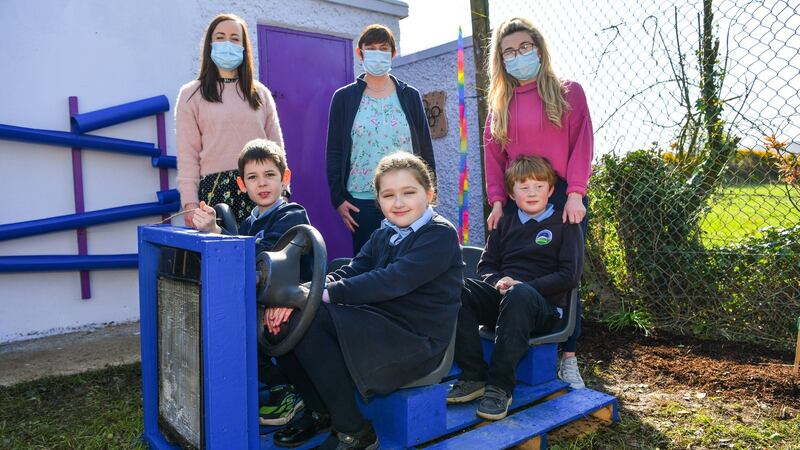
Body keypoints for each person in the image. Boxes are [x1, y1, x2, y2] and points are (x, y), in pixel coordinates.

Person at [266, 153, 462, 449]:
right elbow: (352, 270)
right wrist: (300, 293)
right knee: (283, 323)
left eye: (409, 193)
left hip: (417, 339)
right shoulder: (385, 233)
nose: (398, 203)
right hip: (381, 324)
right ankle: (321, 410)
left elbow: (393, 280)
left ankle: (354, 431)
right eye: (388, 195)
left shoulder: (438, 235)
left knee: (312, 318)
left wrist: (315, 296)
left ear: (430, 194)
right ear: (379, 201)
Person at [483, 17, 594, 389]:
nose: (518, 56)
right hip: (518, 196)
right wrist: (498, 202)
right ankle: (515, 342)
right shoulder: (499, 104)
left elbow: (583, 142)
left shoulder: (568, 92)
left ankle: (569, 356)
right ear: (501, 59)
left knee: (565, 278)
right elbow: (494, 159)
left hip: (563, 195)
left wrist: (576, 192)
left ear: (539, 49)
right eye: (509, 52)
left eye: (524, 48)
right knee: (519, 272)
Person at [446, 156, 583, 420]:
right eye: (523, 186)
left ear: (551, 190)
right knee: (456, 289)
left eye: (539, 185)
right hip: (504, 296)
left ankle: (499, 387)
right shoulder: (505, 222)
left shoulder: (565, 223)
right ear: (511, 193)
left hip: (542, 309)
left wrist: (525, 285)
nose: (532, 192)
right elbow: (485, 266)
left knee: (520, 294)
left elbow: (569, 275)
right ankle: (474, 377)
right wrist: (497, 281)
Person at [192, 138, 308, 426]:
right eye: (253, 177)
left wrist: (220, 232)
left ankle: (289, 390)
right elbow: (238, 253)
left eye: (270, 175)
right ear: (242, 185)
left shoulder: (291, 215)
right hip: (262, 301)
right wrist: (213, 229)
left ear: (285, 178)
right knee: (220, 321)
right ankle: (268, 385)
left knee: (234, 326)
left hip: (292, 302)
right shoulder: (249, 222)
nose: (263, 184)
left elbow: (261, 259)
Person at [326, 24, 436, 255]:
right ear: (360, 52)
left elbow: (425, 147)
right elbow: (334, 150)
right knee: (368, 267)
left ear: (393, 53)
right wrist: (338, 198)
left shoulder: (410, 96)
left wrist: (429, 192)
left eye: (383, 48)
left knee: (409, 262)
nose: (377, 53)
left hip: (406, 196)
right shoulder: (343, 98)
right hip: (362, 201)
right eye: (371, 48)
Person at [176, 13, 284, 228]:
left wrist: (284, 189)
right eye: (220, 37)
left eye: (235, 39)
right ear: (209, 44)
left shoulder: (259, 93)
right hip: (216, 190)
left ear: (244, 47)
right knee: (220, 257)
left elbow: (276, 146)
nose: (228, 43)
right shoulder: (191, 94)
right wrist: (189, 202)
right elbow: (187, 154)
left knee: (261, 254)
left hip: (259, 187)